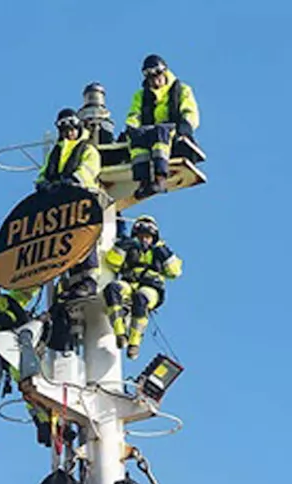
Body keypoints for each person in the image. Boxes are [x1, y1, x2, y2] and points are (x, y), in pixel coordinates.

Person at [0, 271, 56, 444]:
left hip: (35, 345)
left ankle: (55, 418)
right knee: (30, 385)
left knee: (51, 376)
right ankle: (42, 423)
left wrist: (41, 276)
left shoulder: (9, 301)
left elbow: (25, 292)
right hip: (14, 355)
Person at [103, 216, 182, 359]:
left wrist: (163, 252)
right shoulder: (129, 247)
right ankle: (120, 333)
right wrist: (122, 247)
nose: (144, 240)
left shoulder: (160, 251)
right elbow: (112, 263)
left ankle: (134, 343)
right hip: (130, 284)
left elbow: (175, 272)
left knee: (140, 298)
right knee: (112, 289)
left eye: (148, 236)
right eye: (141, 236)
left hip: (151, 289)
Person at [123, 54, 200, 199]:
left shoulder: (181, 89)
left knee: (160, 131)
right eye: (149, 76)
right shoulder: (141, 95)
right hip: (148, 134)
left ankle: (160, 177)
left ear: (164, 71)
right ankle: (143, 181)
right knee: (138, 137)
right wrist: (131, 129)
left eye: (157, 73)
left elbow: (190, 112)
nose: (154, 79)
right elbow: (134, 115)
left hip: (173, 133)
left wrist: (184, 128)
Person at [35, 108, 102, 192]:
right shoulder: (54, 153)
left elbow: (89, 169)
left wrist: (75, 179)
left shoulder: (88, 150)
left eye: (72, 130)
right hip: (57, 194)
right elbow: (44, 172)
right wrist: (42, 183)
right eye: (65, 131)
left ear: (78, 128)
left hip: (83, 192)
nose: (69, 134)